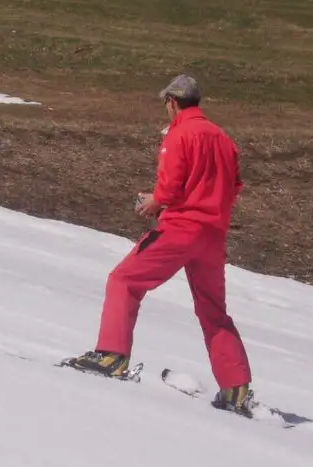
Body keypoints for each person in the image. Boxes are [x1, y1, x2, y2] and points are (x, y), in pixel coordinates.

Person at [63, 74, 254, 417]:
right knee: (213, 310)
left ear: (171, 102)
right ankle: (235, 388)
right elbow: (236, 184)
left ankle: (111, 355)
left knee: (124, 280)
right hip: (213, 236)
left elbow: (169, 186)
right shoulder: (223, 138)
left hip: (180, 228)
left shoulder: (180, 134)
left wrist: (154, 202)